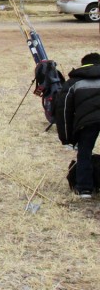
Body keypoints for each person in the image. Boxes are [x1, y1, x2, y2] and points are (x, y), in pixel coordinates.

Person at [55, 52, 100, 199]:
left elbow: (63, 113)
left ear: (83, 64)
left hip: (87, 124)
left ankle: (85, 189)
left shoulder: (72, 83)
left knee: (84, 153)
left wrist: (67, 139)